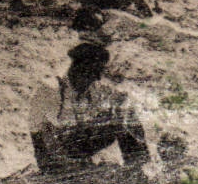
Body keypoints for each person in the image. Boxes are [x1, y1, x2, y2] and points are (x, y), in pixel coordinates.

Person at [28, 41, 150, 175]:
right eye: (94, 71)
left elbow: (124, 103)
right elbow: (36, 132)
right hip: (58, 151)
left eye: (99, 72)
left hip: (79, 144)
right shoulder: (50, 92)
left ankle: (140, 170)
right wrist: (48, 169)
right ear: (79, 68)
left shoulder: (95, 89)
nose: (97, 77)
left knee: (123, 117)